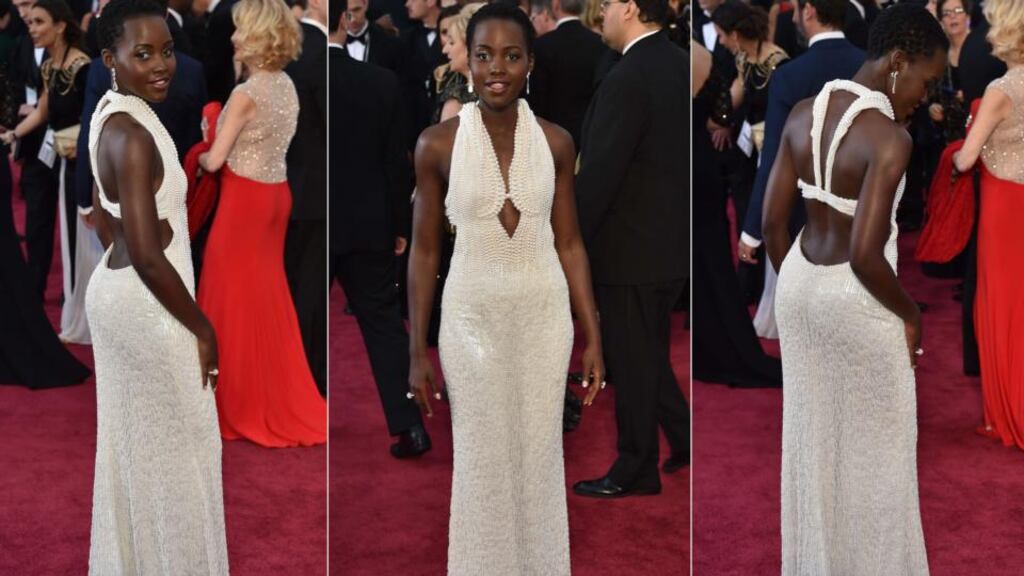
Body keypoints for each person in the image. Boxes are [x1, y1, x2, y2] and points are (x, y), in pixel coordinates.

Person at [408, 3, 604, 572]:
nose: (497, 68)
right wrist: (416, 348)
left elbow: (571, 244)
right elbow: (424, 252)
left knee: (539, 454)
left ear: (530, 63)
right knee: (481, 456)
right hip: (470, 321)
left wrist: (593, 334)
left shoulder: (558, 142)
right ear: (467, 62)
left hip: (545, 319)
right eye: (485, 55)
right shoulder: (436, 144)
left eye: (512, 55)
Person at [762, 4, 947, 572]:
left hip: (799, 287)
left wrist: (802, 292)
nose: (925, 96)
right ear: (898, 62)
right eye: (926, 80)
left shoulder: (801, 114)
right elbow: (866, 255)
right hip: (858, 298)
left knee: (814, 443)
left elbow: (772, 224)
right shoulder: (890, 139)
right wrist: (911, 314)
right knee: (880, 459)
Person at [86, 0, 227, 571]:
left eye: (166, 51)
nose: (161, 65)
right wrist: (203, 328)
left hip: (120, 292)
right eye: (142, 54)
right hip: (148, 304)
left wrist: (132, 236)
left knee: (140, 449)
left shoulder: (111, 113)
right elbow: (147, 254)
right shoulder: (133, 134)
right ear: (110, 58)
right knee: (183, 451)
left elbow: (102, 213)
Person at [572, 0, 689, 498]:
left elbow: (600, 173)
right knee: (647, 355)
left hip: (629, 251)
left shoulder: (627, 76)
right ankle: (682, 434)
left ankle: (636, 467)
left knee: (633, 361)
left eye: (606, 3)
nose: (600, 12)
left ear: (631, 8)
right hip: (669, 245)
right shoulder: (678, 61)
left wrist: (569, 239)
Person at [197, 0, 326, 447]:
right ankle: (270, 394)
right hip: (277, 197)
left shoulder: (246, 94)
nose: (233, 38)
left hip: (245, 203)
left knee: (227, 296)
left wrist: (204, 135)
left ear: (256, 37)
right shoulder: (286, 84)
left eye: (240, 30)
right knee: (268, 297)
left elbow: (215, 161)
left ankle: (233, 402)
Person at [332, 0, 430, 458]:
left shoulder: (296, 77)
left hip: (311, 225)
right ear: (344, 19)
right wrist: (398, 224)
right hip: (370, 223)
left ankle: (307, 415)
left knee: (305, 322)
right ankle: (411, 426)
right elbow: (397, 164)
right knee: (385, 326)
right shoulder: (381, 82)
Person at [3, 0, 100, 344]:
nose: (32, 28)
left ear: (60, 26)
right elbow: (43, 111)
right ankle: (73, 311)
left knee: (83, 238)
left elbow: (94, 118)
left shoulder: (83, 66)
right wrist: (13, 135)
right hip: (59, 162)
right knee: (65, 237)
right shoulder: (50, 65)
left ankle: (90, 315)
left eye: (39, 22)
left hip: (82, 166)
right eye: (30, 22)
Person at [951, 0, 1024, 450]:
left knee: (1001, 305)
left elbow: (965, 159)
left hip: (1003, 207)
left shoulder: (1001, 89)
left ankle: (1009, 414)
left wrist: (959, 147)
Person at [285, 0, 328, 395]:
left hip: (289, 187)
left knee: (297, 286)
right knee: (309, 292)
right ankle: (308, 378)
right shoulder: (316, 51)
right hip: (317, 191)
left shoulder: (290, 46)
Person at [527, 0, 608, 147]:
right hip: (591, 137)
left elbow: (537, 99)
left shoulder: (542, 45)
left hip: (551, 139)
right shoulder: (600, 45)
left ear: (555, 5)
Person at [436, 2, 481, 121]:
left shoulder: (456, 102)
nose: (445, 50)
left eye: (452, 42)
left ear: (470, 46)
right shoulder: (506, 93)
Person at [345, 0, 404, 72]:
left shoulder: (389, 42)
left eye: (356, 10)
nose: (353, 19)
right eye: (346, 13)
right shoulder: (333, 43)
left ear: (366, 3)